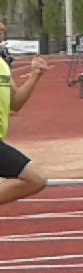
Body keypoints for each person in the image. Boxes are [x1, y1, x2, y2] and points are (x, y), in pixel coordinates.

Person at [0, 22, 51, 206]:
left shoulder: (2, 65)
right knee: (35, 179)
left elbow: (15, 104)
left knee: (36, 180)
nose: (1, 35)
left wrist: (35, 75)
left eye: (2, 32)